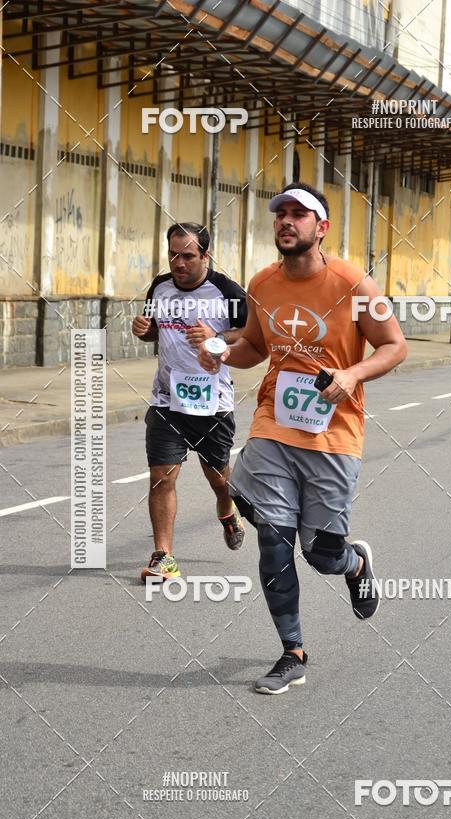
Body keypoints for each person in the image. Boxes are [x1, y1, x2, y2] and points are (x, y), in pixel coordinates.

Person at [198, 183, 407, 693]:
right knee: (273, 541)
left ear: (322, 227)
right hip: (274, 424)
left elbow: (394, 346)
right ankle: (292, 651)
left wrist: (353, 374)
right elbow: (254, 346)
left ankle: (353, 563)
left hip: (334, 434)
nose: (286, 221)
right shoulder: (263, 282)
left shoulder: (354, 284)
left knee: (320, 554)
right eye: (281, 214)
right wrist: (222, 355)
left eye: (299, 214)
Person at [132, 222, 247, 582]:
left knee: (219, 479)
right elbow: (155, 329)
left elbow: (253, 334)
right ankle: (163, 557)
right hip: (167, 400)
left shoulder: (227, 291)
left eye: (187, 256)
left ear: (205, 255)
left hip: (212, 403)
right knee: (161, 477)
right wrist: (145, 330)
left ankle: (227, 510)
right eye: (173, 255)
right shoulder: (160, 286)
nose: (178, 263)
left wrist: (218, 335)